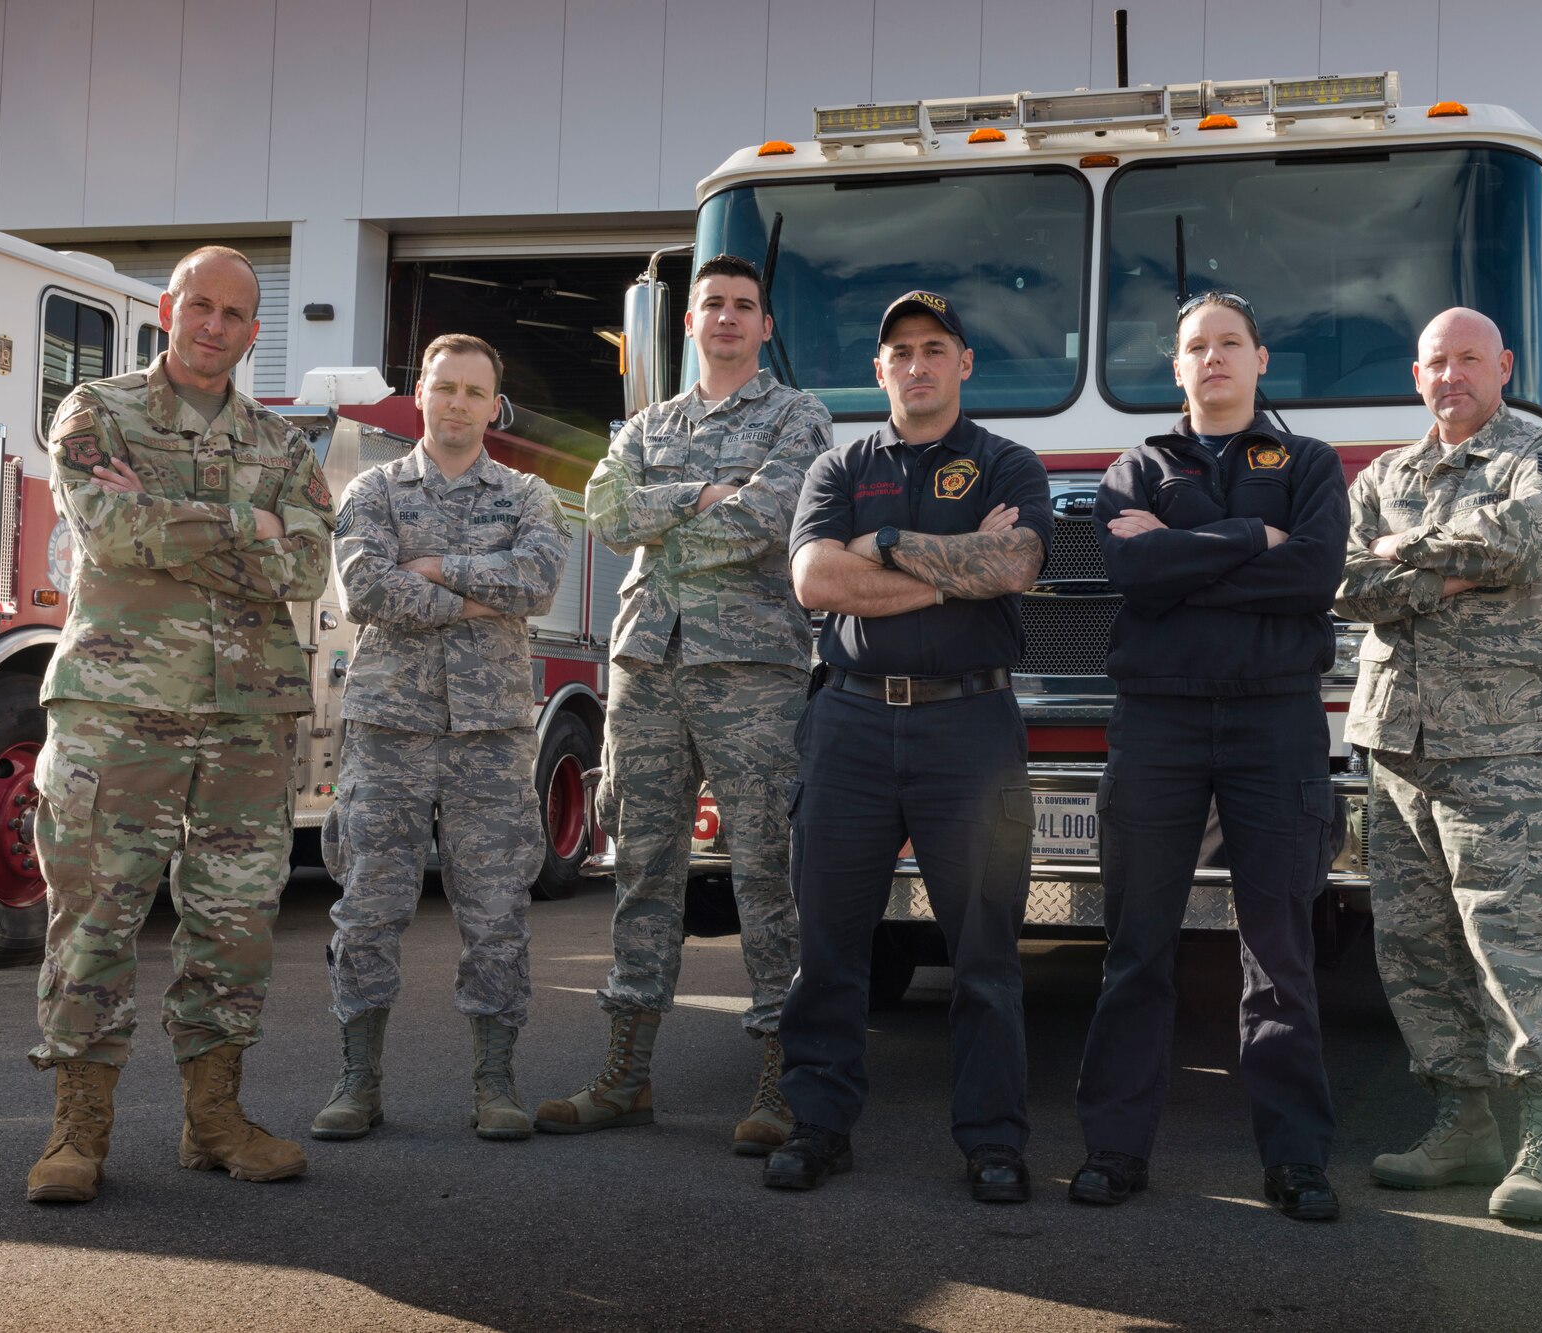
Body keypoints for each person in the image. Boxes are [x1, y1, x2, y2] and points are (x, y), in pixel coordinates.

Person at [25, 246, 332, 1203]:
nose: (215, 326)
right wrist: (254, 528)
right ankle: (79, 1128)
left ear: (252, 330)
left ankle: (216, 1118)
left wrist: (180, 520)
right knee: (96, 915)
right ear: (169, 308)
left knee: (235, 923)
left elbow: (310, 567)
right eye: (200, 305)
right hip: (118, 712)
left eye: (236, 314)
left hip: (247, 719)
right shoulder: (96, 411)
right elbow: (110, 533)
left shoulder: (282, 446)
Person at [535, 255, 830, 1154]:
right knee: (642, 874)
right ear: (689, 322)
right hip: (646, 667)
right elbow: (607, 514)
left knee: (767, 873)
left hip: (752, 669)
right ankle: (626, 1075)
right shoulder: (645, 423)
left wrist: (671, 515)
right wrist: (703, 494)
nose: (728, 318)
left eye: (745, 306)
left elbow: (768, 521)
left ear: (766, 327)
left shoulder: (799, 416)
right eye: (713, 305)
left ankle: (786, 1079)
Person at [763, 290, 1049, 1201]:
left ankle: (994, 1141)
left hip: (969, 727)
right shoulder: (838, 467)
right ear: (879, 370)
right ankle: (818, 1124)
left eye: (935, 348)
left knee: (985, 951)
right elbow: (814, 579)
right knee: (832, 945)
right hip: (847, 722)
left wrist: (880, 550)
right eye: (900, 352)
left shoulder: (1009, 462)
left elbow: (1013, 565)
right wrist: (946, 570)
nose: (917, 364)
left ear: (964, 363)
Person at [1069, 292, 1347, 1220]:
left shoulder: (1309, 464)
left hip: (1277, 722)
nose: (1215, 357)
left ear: (1261, 358)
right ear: (1176, 366)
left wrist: (1184, 552)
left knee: (1280, 951)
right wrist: (1247, 540)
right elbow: (1131, 575)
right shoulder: (1133, 467)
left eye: (1232, 341)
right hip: (1159, 723)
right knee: (1136, 945)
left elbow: (1312, 574)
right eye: (1198, 345)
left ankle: (1297, 1159)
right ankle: (1113, 1147)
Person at [1336, 306, 1542, 1225]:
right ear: (1417, 375)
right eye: (1436, 361)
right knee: (1415, 947)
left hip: (1508, 740)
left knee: (1518, 946)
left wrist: (1406, 555)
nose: (1452, 375)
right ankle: (1461, 1120)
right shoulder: (1386, 473)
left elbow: (1521, 540)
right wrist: (1445, 572)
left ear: (1504, 366)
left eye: (1470, 360)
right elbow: (1343, 582)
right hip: (1398, 743)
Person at [312, 334, 569, 1142]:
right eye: (444, 387)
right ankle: (359, 1078)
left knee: (496, 914)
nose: (457, 402)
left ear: (495, 406)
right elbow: (363, 588)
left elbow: (538, 581)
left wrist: (431, 568)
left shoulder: (531, 495)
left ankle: (495, 1081)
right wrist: (472, 596)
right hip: (388, 731)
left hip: (490, 736)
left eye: (473, 391)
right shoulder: (373, 490)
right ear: (417, 394)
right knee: (368, 909)